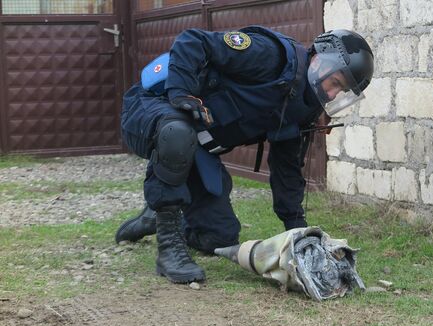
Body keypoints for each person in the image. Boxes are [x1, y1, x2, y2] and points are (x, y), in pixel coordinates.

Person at [114, 26, 374, 284]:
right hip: (150, 106)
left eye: (339, 92)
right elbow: (192, 40)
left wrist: (299, 233)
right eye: (335, 83)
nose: (331, 94)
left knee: (219, 237)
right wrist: (181, 93)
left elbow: (287, 169)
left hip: (196, 146)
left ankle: (158, 216)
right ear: (319, 58)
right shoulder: (269, 56)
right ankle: (169, 247)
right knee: (177, 132)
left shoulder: (301, 108)